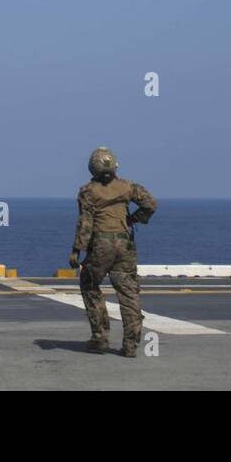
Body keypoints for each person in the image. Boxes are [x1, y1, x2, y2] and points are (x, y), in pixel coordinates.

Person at [69, 147, 157, 357]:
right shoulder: (128, 187)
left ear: (92, 167)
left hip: (101, 245)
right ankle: (130, 345)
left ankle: (100, 338)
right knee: (128, 294)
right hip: (125, 246)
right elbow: (150, 204)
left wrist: (76, 250)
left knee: (90, 287)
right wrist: (133, 219)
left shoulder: (87, 191)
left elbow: (86, 224)